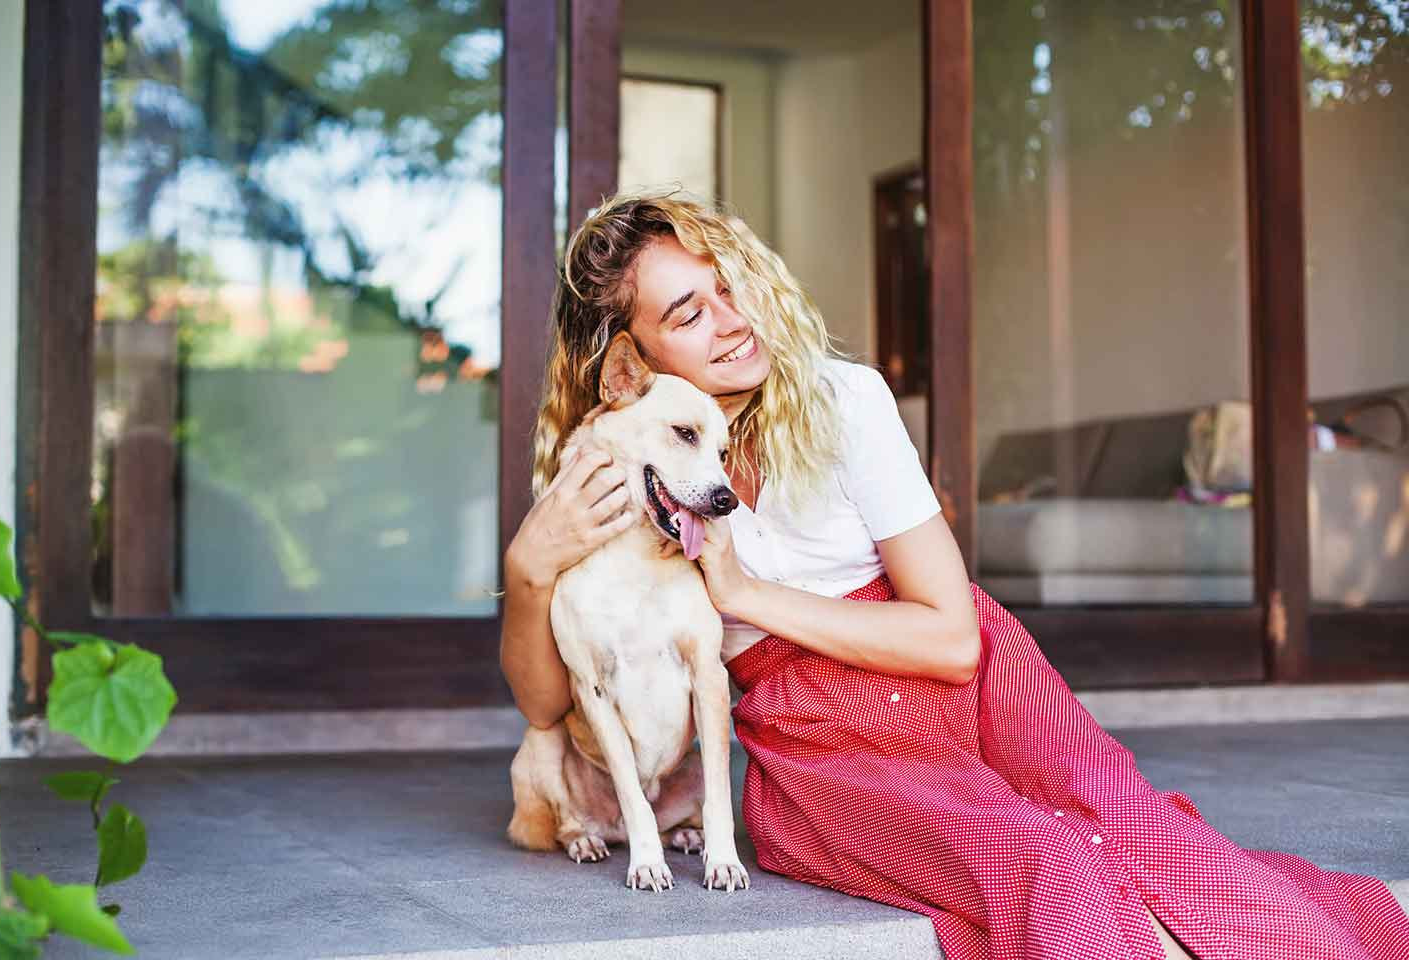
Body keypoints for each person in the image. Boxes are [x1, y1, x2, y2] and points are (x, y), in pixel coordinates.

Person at [499, 191, 1409, 960]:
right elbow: (552, 710)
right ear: (627, 361)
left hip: (972, 678)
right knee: (1038, 859)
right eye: (687, 312)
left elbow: (952, 635)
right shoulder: (615, 463)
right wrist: (529, 568)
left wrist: (743, 594)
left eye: (728, 285)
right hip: (811, 732)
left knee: (1141, 831)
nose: (733, 321)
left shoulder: (842, 399)